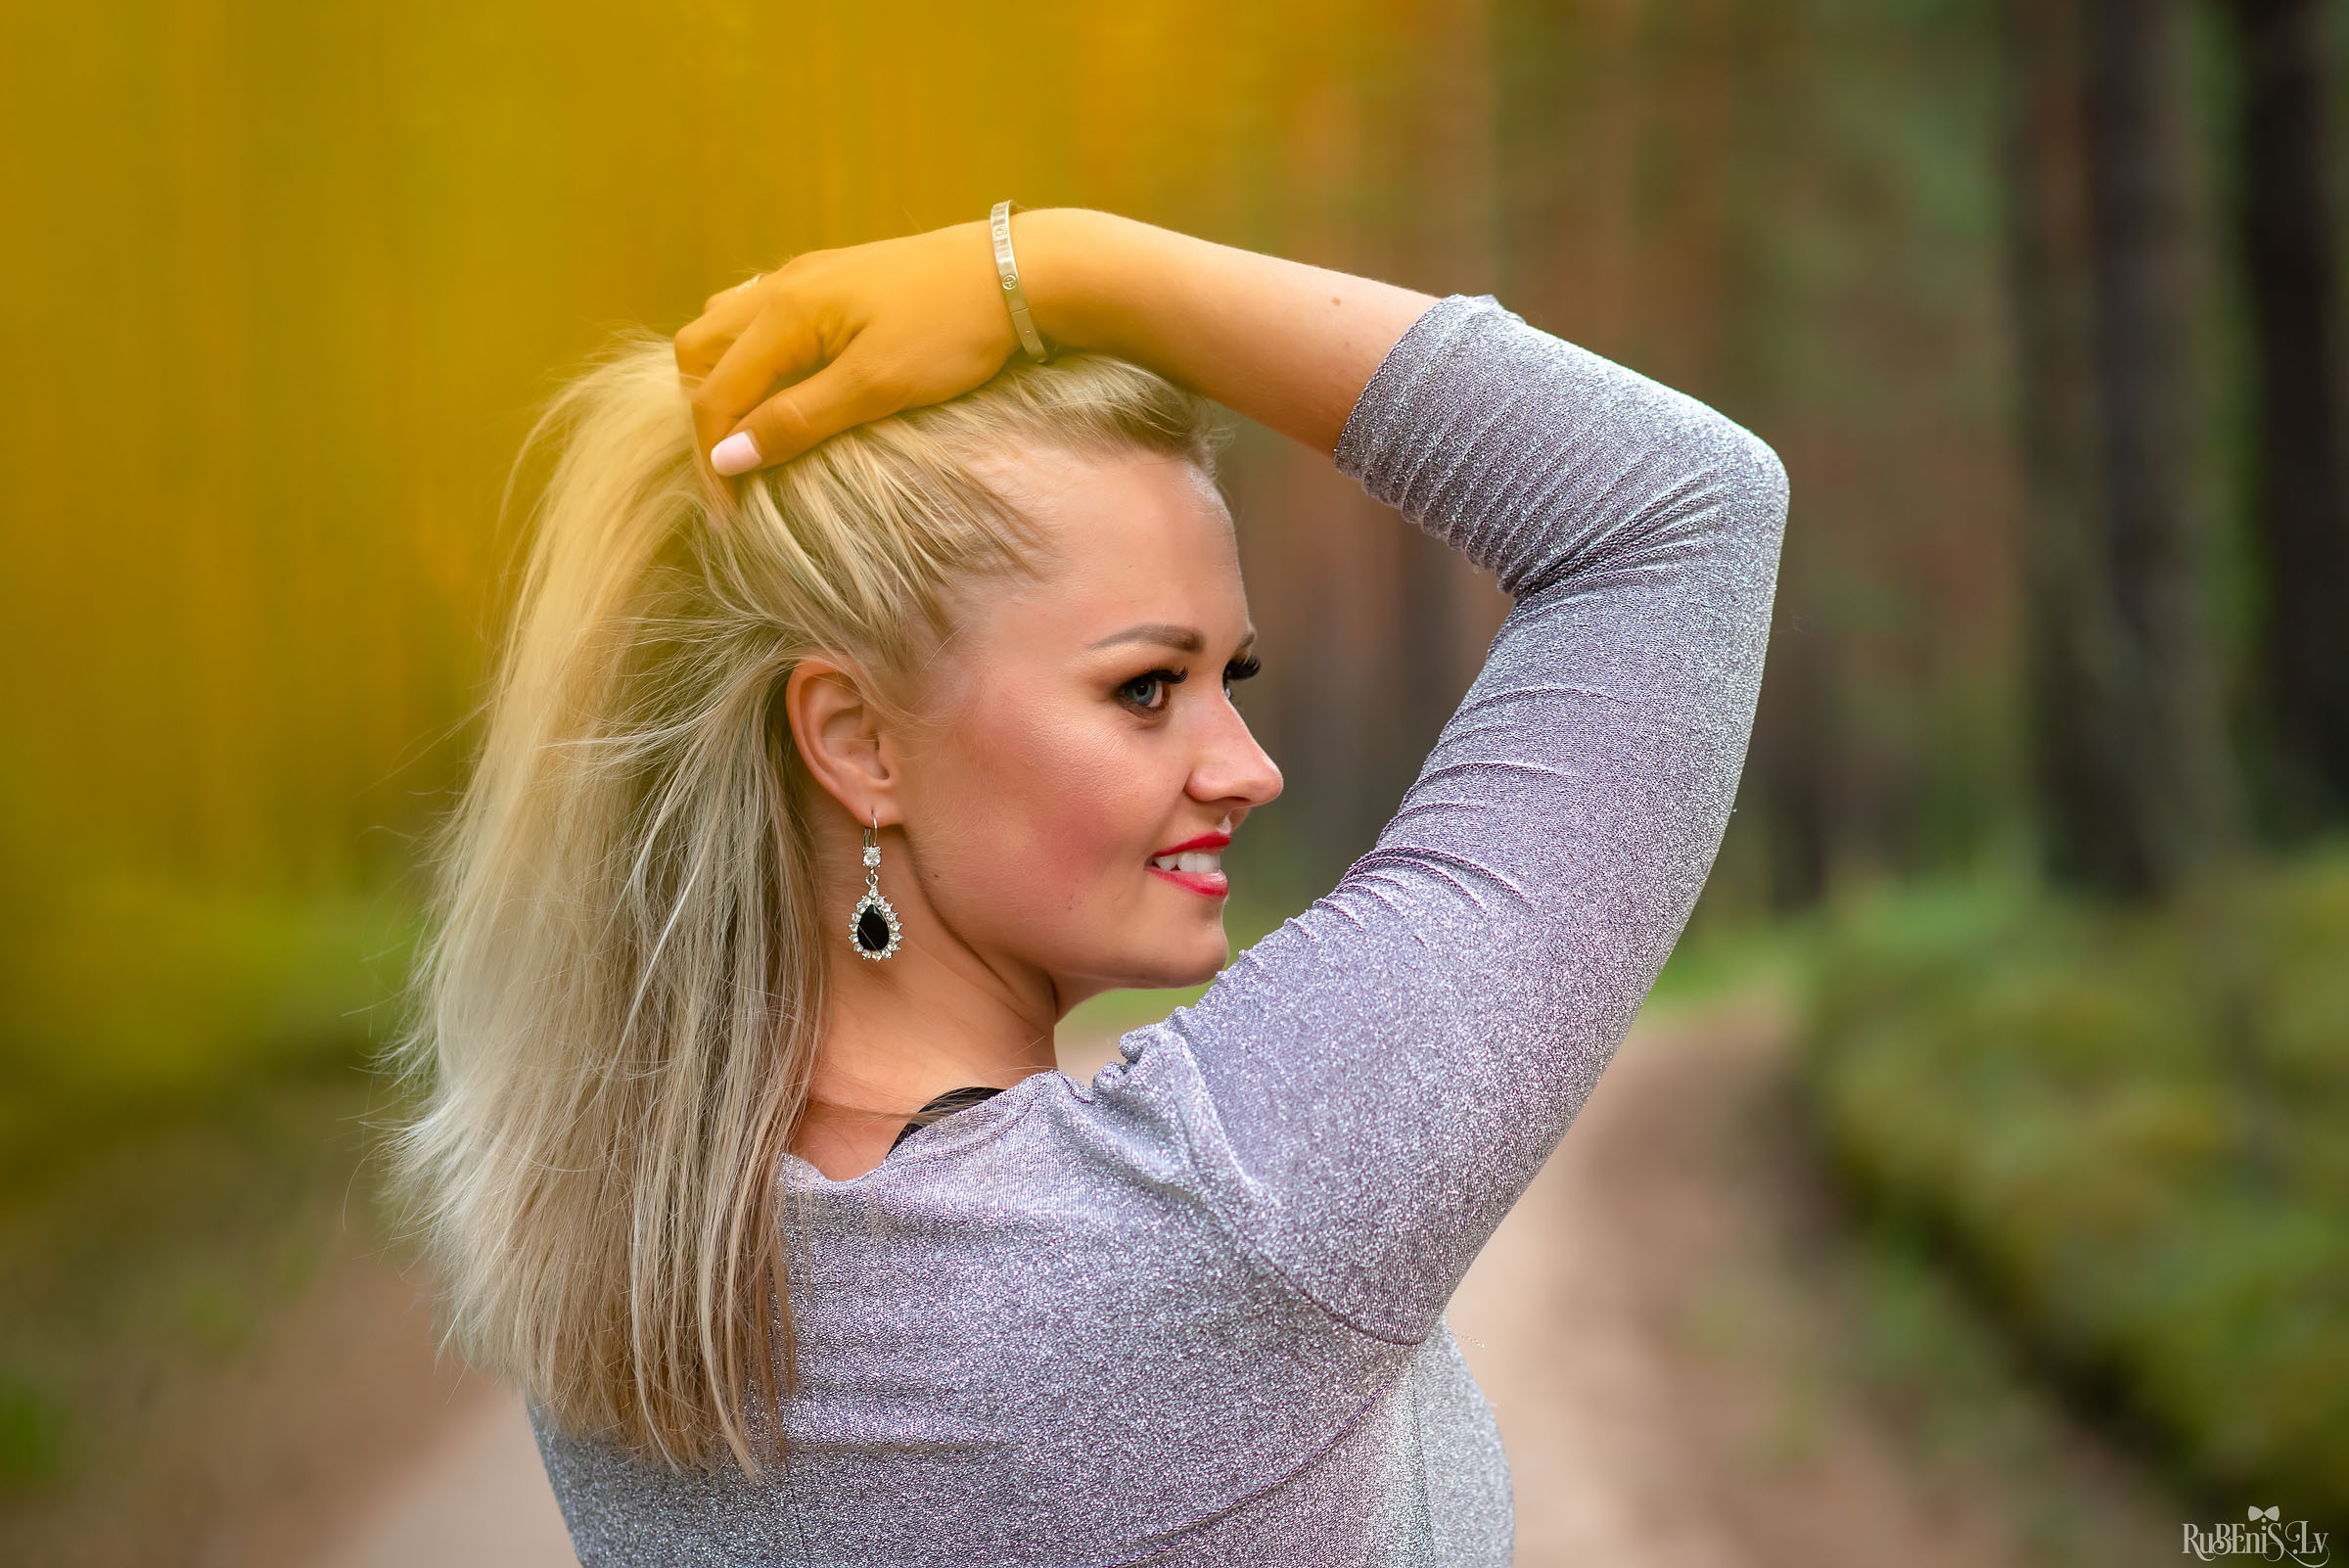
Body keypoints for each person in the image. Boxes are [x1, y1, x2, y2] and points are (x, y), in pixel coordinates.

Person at [382, 204, 1789, 1566]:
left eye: (1230, 679)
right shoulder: (1215, 1213)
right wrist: (1048, 263)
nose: (1248, 767)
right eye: (1145, 687)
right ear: (858, 741)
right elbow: (1681, 515)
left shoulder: (619, 1262)